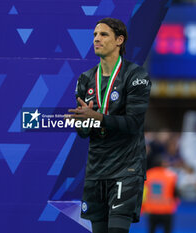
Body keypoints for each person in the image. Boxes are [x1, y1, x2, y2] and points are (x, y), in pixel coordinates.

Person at [68, 18, 151, 233]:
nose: (96, 39)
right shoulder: (85, 79)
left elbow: (133, 123)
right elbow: (83, 133)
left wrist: (97, 117)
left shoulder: (136, 76)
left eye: (103, 34)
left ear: (119, 40)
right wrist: (83, 122)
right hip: (97, 169)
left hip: (127, 168)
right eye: (95, 34)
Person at [143, 156, 179, 233]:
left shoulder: (148, 174)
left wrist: (143, 208)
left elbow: (143, 193)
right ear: (162, 164)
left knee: (151, 230)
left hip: (151, 209)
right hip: (166, 210)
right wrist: (174, 204)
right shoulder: (171, 175)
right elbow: (176, 193)